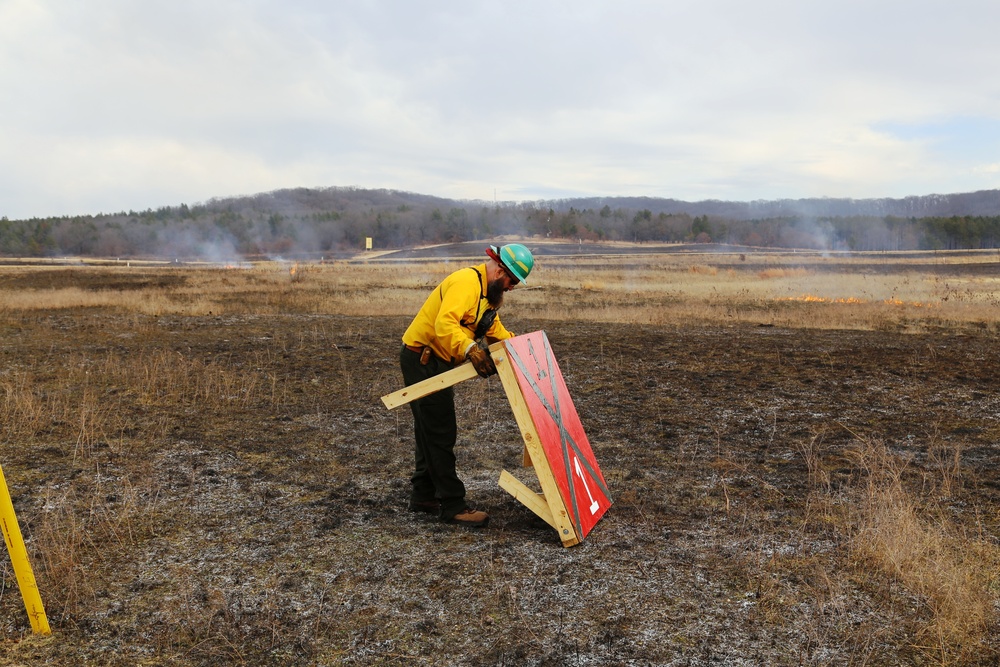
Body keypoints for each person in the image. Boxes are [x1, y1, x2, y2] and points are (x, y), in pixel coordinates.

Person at [399, 243, 535, 527]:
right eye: (511, 280)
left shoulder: (488, 295)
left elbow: (493, 329)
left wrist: (518, 347)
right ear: (500, 269)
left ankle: (423, 495)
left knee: (429, 427)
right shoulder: (466, 283)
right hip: (423, 359)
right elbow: (444, 325)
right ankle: (452, 505)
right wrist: (471, 350)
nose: (511, 288)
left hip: (436, 361)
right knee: (440, 431)